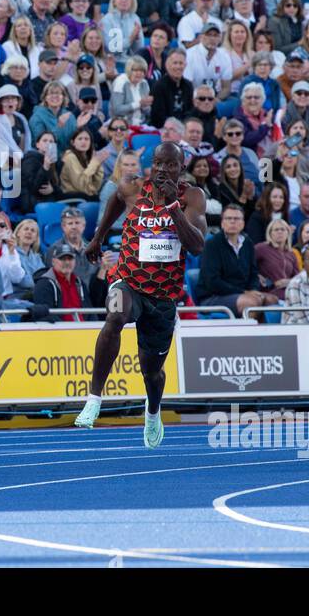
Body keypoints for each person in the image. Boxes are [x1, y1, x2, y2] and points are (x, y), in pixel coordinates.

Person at [77, 142, 206, 447]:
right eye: (158, 164)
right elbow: (115, 200)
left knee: (152, 372)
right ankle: (94, 398)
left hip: (163, 296)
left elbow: (197, 245)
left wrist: (174, 207)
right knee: (116, 315)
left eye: (170, 165)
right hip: (129, 280)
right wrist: (97, 238)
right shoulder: (133, 187)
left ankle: (153, 411)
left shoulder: (192, 197)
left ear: (181, 168)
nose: (163, 170)